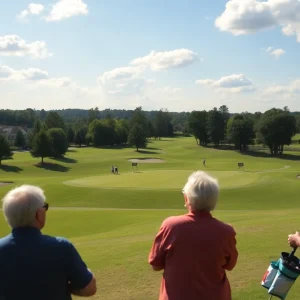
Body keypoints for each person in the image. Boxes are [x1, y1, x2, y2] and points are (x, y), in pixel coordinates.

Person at [148, 171, 238, 300]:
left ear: (187, 198)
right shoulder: (226, 231)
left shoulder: (171, 226)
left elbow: (155, 265)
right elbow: (230, 265)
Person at [0, 185, 97, 300]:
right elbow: (89, 288)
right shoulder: (61, 247)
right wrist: (66, 286)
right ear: (38, 214)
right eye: (45, 207)